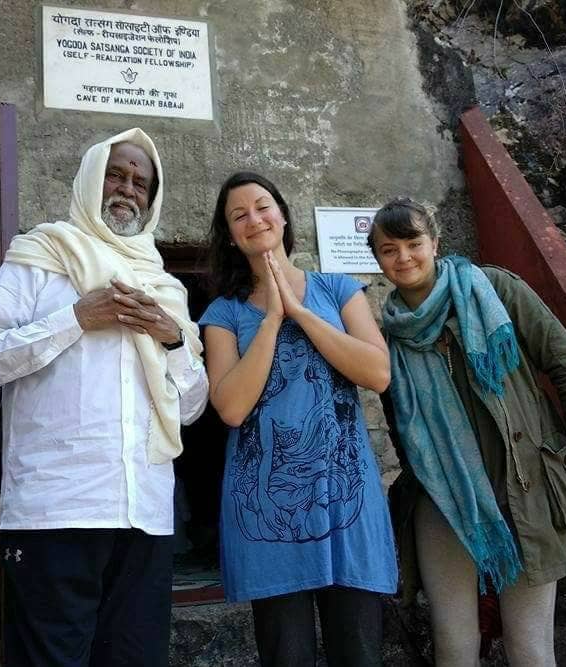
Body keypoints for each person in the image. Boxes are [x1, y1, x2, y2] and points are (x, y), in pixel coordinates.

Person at [0, 128, 208, 667]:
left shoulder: (164, 287)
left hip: (144, 511)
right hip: (56, 508)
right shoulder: (40, 255)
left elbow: (190, 407)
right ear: (91, 178)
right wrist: (75, 318)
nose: (127, 190)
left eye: (141, 182)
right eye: (116, 175)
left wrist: (171, 339)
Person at [370, 197, 566, 666]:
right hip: (443, 502)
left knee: (529, 648)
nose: (404, 257)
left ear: (435, 243)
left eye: (413, 243)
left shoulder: (492, 289)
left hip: (524, 490)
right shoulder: (387, 335)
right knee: (454, 646)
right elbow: (398, 422)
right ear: (378, 259)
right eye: (389, 249)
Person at [199, 172, 398, 667]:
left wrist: (301, 313)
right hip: (269, 510)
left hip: (345, 499)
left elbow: (377, 372)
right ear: (229, 235)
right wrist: (270, 321)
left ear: (283, 216)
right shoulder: (224, 314)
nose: (254, 219)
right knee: (287, 656)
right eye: (238, 215)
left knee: (360, 654)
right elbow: (231, 407)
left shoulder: (337, 289)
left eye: (262, 207)